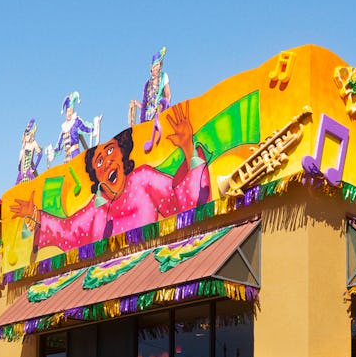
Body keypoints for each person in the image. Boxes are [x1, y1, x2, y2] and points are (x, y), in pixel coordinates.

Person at [12, 102, 209, 253]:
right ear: (95, 175)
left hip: (150, 267)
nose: (106, 162)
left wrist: (188, 148)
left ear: (123, 156)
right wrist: (35, 215)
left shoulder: (143, 179)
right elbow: (68, 231)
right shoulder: (96, 208)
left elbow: (184, 203)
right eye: (99, 161)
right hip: (104, 279)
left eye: (110, 152)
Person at [51, 91, 102, 164]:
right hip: (67, 157)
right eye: (68, 111)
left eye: (70, 111)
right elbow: (59, 144)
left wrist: (94, 127)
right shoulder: (64, 128)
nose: (69, 113)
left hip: (75, 153)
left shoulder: (76, 122)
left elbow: (84, 128)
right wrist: (53, 152)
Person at [129, 47, 172, 125]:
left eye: (158, 65)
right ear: (151, 68)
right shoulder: (147, 84)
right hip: (147, 118)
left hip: (159, 111)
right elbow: (145, 107)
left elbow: (168, 94)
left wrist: (164, 106)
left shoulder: (163, 77)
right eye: (154, 66)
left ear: (160, 66)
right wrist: (136, 103)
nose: (156, 68)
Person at [16, 119, 43, 184]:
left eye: (28, 134)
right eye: (26, 134)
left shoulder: (33, 143)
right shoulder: (24, 146)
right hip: (22, 172)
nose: (27, 136)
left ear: (31, 135)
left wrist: (35, 167)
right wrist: (19, 167)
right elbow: (20, 162)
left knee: (32, 185)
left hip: (29, 170)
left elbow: (40, 154)